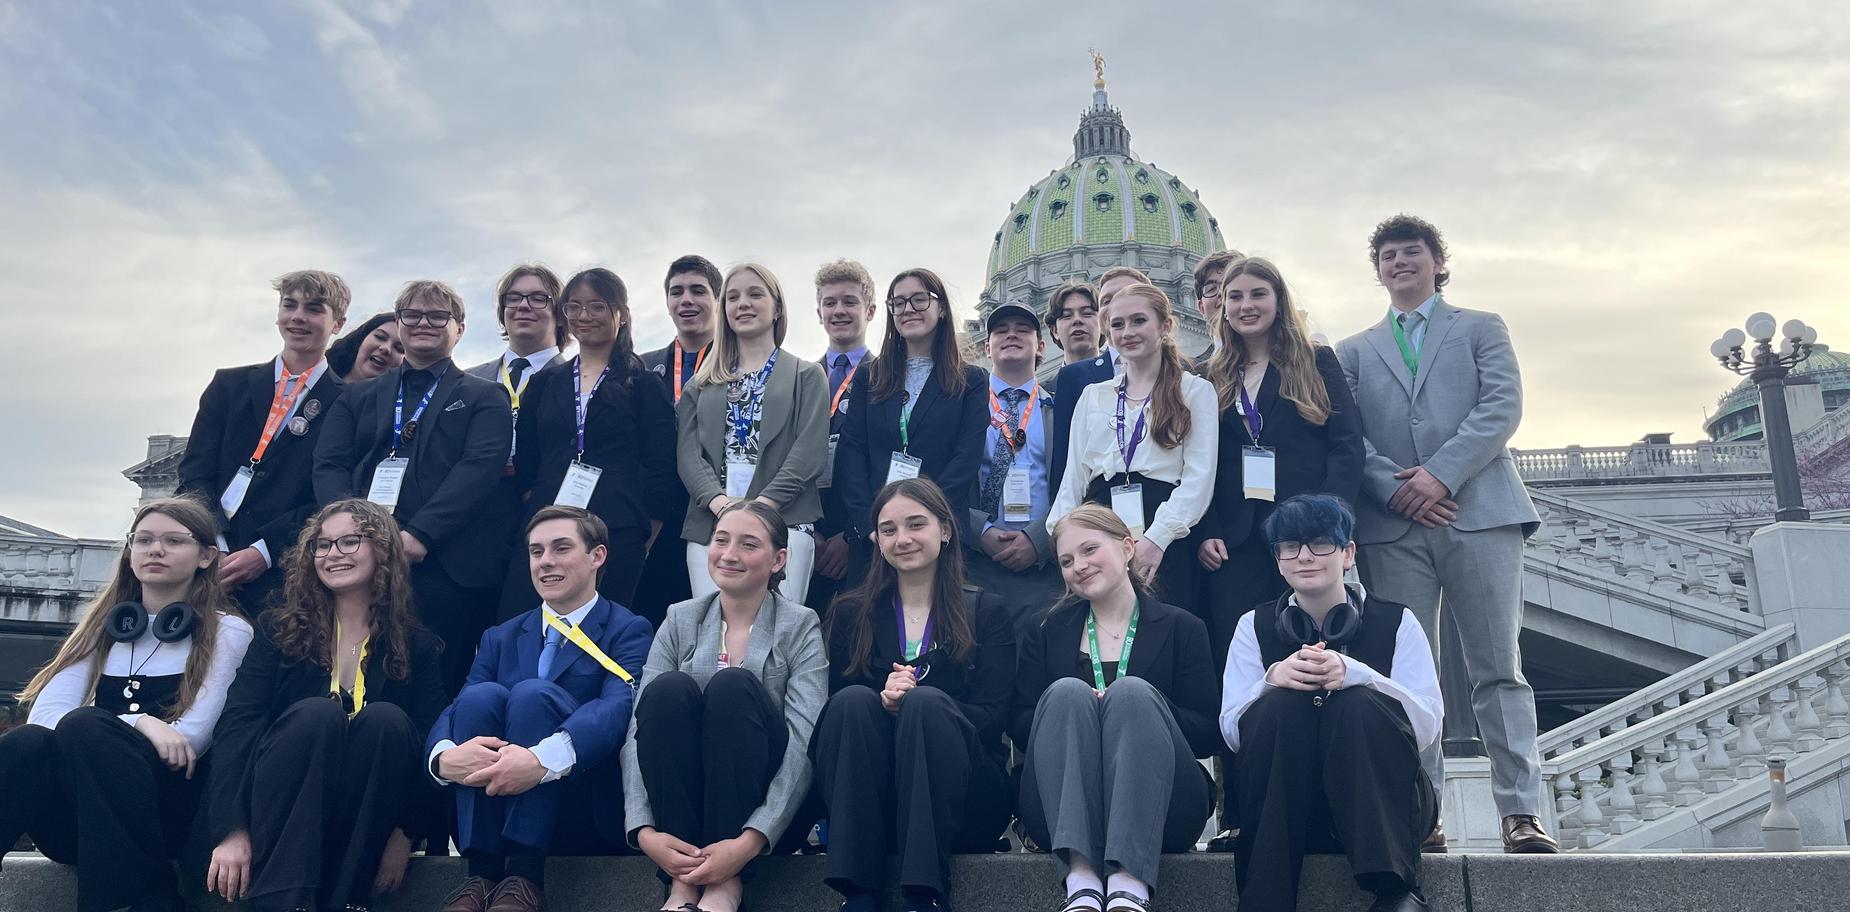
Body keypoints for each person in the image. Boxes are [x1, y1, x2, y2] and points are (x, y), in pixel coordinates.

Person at [1334, 214, 1556, 853]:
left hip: (1479, 513)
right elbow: (1351, 437)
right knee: (1407, 672)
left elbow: (1501, 408)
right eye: (1389, 255)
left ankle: (1519, 812)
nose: (1400, 263)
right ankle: (1421, 811)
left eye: (1412, 252)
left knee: (1499, 669)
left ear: (1437, 262)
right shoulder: (1353, 349)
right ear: (1377, 270)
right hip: (1394, 525)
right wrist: (1397, 487)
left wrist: (1439, 476)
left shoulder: (1481, 327)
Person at [0, 497, 254, 912]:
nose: (156, 550)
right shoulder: (105, 628)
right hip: (85, 821)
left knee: (86, 725)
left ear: (207, 556)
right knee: (24, 743)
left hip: (166, 813)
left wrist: (125, 724)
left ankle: (133, 898)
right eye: (144, 540)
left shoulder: (229, 631)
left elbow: (192, 739)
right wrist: (141, 721)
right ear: (130, 551)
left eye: (174, 541)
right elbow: (45, 717)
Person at [203, 499, 448, 912]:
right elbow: (239, 725)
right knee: (318, 714)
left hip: (363, 816)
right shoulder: (277, 631)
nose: (333, 554)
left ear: (383, 550)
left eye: (351, 542)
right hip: (278, 810)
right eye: (322, 545)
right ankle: (286, 901)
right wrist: (232, 829)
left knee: (387, 720)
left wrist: (406, 834)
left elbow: (430, 742)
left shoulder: (416, 645)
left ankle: (350, 901)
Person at [1193, 256, 1363, 848]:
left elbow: (1345, 446)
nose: (1245, 305)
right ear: (1220, 306)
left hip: (1306, 535)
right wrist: (1207, 526)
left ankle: (1329, 808)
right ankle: (1241, 813)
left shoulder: (1315, 361)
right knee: (1238, 669)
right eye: (1233, 295)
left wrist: (1332, 524)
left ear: (1278, 298)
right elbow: (1201, 460)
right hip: (1236, 542)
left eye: (1257, 294)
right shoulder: (1207, 372)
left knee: (1315, 655)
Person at [427, 506, 655, 912]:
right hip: (494, 808)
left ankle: (525, 875)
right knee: (481, 699)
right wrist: (443, 757)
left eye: (561, 548)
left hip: (576, 802)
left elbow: (617, 707)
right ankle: (481, 873)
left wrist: (539, 760)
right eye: (536, 552)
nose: (545, 561)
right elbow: (462, 704)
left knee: (532, 694)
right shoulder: (500, 636)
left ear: (597, 556)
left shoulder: (628, 628)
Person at [1221, 494, 1441, 912]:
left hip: (1386, 805)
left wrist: (1358, 675)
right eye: (1290, 546)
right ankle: (1264, 900)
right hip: (1289, 808)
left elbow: (1427, 726)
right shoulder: (1253, 625)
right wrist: (1271, 682)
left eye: (1320, 543)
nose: (1304, 556)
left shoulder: (1397, 621)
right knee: (1276, 707)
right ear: (1278, 558)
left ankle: (1396, 891)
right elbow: (1232, 731)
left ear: (1348, 553)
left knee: (1358, 704)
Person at [815, 478, 1014, 912]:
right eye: (889, 530)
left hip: (962, 800)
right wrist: (885, 703)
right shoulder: (852, 612)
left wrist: (923, 708)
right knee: (851, 703)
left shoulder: (988, 611)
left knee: (925, 703)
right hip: (875, 802)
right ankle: (859, 893)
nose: (902, 539)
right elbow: (836, 722)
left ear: (945, 530)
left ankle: (924, 894)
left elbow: (995, 716)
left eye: (915, 524)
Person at [622, 500, 829, 912]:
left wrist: (749, 840)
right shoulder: (679, 618)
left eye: (749, 544)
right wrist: (643, 830)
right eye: (720, 540)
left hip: (763, 811)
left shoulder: (800, 624)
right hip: (681, 811)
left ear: (778, 559)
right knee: (665, 692)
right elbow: (636, 733)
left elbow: (804, 742)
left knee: (733, 686)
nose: (729, 555)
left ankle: (726, 884)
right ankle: (682, 884)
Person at [314, 279, 514, 696]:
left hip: (443, 564)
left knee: (433, 686)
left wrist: (419, 534)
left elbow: (479, 469)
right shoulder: (356, 397)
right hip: (356, 562)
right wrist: (350, 535)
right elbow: (329, 464)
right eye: (413, 315)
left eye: (438, 316)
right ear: (400, 323)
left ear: (459, 328)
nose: (424, 322)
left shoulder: (486, 396)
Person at [1012, 506, 1217, 912]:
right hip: (1062, 810)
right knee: (1068, 692)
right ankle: (1082, 875)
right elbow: (1019, 723)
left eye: (1090, 550)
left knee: (1132, 694)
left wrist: (1141, 710)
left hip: (1165, 806)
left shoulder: (1183, 627)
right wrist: (1083, 715)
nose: (1080, 567)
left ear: (1127, 549)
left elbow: (1209, 731)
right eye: (1067, 561)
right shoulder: (1044, 629)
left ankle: (1130, 879)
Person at [503, 267, 677, 619]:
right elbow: (528, 458)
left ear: (622, 314)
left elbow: (662, 464)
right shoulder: (547, 382)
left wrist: (647, 533)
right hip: (545, 528)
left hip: (617, 531)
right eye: (574, 307)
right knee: (522, 625)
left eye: (597, 306)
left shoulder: (642, 382)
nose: (584, 316)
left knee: (598, 635)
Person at [178, 269, 352, 616]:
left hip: (284, 571)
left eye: (314, 309)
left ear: (337, 324)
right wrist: (214, 543)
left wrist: (265, 551)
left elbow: (332, 494)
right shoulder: (229, 385)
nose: (298, 317)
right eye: (290, 305)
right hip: (209, 559)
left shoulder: (349, 401)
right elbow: (195, 472)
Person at [1049, 283, 1217, 616]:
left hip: (1164, 533)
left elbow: (1198, 481)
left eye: (1139, 321)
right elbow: (1073, 480)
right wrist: (1063, 543)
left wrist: (1156, 541)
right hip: (1097, 532)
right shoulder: (1092, 396)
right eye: (1117, 324)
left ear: (1165, 326)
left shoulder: (1196, 391)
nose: (1127, 332)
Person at [677, 263, 829, 604]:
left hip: (783, 523)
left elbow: (809, 452)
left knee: (776, 642)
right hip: (711, 527)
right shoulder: (699, 385)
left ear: (776, 308)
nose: (742, 303)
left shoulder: (807, 376)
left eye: (754, 294)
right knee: (715, 639)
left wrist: (761, 508)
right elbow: (688, 457)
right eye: (732, 297)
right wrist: (720, 505)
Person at [836, 268, 988, 582]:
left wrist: (928, 520)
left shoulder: (971, 380)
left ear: (941, 308)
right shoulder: (869, 376)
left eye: (919, 300)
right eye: (899, 303)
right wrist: (872, 526)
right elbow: (852, 454)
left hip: (939, 532)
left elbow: (966, 458)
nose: (908, 309)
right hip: (877, 536)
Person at [635, 254, 724, 626]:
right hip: (652, 517)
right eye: (676, 292)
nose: (686, 300)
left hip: (712, 511)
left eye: (698, 290)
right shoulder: (638, 367)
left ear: (718, 300)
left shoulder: (738, 368)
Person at [963, 302, 1062, 629]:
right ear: (986, 347)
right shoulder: (962, 407)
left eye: (1022, 330)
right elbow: (946, 481)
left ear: (1042, 346)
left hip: (1044, 562)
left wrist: (1039, 539)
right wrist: (982, 532)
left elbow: (1072, 484)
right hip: (976, 558)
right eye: (1001, 331)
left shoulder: (1059, 411)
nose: (1011, 335)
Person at [808, 259, 878, 614]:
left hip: (864, 537)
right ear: (818, 312)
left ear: (870, 310)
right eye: (830, 302)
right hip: (806, 535)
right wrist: (809, 535)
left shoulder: (888, 379)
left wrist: (853, 534)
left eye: (849, 302)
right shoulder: (799, 379)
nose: (839, 310)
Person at [1048, 266, 1144, 501]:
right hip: (1094, 511)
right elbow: (1065, 465)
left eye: (1086, 312)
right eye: (1108, 300)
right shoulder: (1068, 381)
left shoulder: (1184, 375)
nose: (1077, 321)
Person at [1188, 249, 1245, 370]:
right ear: (1201, 307)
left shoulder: (1289, 362)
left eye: (1229, 285)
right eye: (1211, 288)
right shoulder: (1191, 379)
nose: (1222, 293)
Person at [327, 313, 405, 383]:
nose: (386, 348)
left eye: (399, 348)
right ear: (362, 338)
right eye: (380, 337)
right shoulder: (319, 372)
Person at [1045, 281, 1103, 366]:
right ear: (1055, 331)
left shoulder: (1124, 377)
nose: (1077, 320)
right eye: (1067, 315)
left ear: (1102, 324)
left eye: (1087, 313)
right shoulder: (1053, 380)